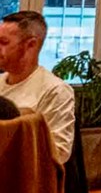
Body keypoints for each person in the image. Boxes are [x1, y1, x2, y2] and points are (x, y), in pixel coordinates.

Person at [0, 10, 75, 164]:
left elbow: (59, 152)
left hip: (22, 181)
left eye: (4, 42)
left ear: (31, 45)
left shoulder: (55, 91)